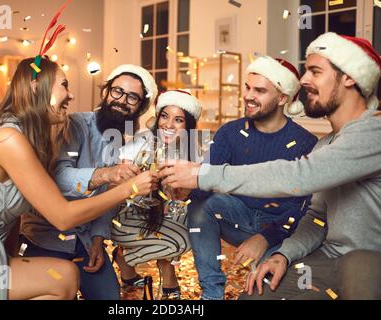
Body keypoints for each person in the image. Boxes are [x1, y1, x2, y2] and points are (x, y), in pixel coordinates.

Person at [159, 32, 381, 300]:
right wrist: (282, 255)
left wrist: (200, 174)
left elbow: (299, 176)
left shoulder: (374, 133)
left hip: (369, 261)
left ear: (349, 77)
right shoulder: (325, 146)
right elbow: (316, 217)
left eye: (315, 71)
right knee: (255, 293)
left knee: (358, 265)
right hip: (325, 258)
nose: (304, 80)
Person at [0, 57, 156, 300]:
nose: (70, 95)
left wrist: (97, 238)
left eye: (132, 97)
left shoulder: (25, 135)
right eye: (65, 85)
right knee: (65, 277)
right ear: (39, 89)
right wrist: (128, 187)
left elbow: (13, 213)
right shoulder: (10, 140)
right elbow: (63, 216)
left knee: (94, 290)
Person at [19, 64, 159, 299]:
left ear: (141, 106)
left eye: (132, 97)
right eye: (117, 91)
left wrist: (97, 239)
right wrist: (107, 174)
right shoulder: (75, 124)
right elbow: (57, 177)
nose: (122, 100)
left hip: (85, 241)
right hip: (46, 237)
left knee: (111, 298)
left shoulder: (126, 142)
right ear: (105, 93)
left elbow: (107, 199)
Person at [186, 56, 318, 300]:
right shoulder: (229, 133)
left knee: (261, 293)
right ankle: (212, 293)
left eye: (259, 90)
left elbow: (304, 210)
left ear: (282, 98)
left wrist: (265, 238)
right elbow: (205, 185)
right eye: (247, 87)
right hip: (236, 215)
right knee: (200, 206)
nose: (248, 95)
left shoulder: (305, 143)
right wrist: (185, 188)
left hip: (282, 232)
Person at [111, 90, 201, 300]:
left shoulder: (192, 152)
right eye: (164, 116)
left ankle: (134, 261)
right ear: (157, 116)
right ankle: (130, 257)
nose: (169, 125)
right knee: (178, 239)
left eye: (178, 120)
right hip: (129, 216)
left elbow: (189, 198)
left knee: (190, 229)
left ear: (187, 126)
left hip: (165, 218)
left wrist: (184, 189)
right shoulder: (140, 143)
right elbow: (118, 186)